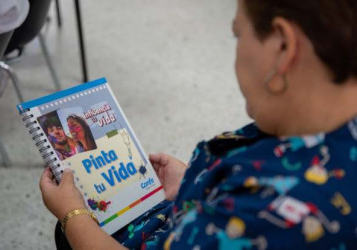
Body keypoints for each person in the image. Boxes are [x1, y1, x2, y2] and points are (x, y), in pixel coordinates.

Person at [39, 0, 357, 249]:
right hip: (189, 212)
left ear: (283, 48)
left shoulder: (267, 211)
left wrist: (74, 216)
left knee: (70, 231)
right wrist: (196, 182)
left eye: (238, 34)